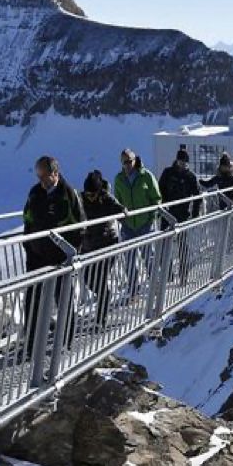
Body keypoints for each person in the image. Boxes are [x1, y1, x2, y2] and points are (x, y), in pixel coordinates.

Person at [22, 156, 86, 354]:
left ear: (55, 174)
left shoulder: (69, 194)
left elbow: (81, 225)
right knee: (33, 300)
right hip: (37, 257)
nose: (42, 181)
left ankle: (65, 343)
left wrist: (71, 252)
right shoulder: (34, 193)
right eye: (39, 176)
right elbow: (28, 220)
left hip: (61, 258)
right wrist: (30, 246)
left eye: (45, 176)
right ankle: (31, 345)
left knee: (64, 299)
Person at [114, 149, 162, 297]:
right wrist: (121, 217)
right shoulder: (119, 179)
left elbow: (156, 198)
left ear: (135, 160)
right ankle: (134, 290)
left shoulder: (146, 176)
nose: (127, 165)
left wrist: (151, 217)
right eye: (124, 162)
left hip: (145, 223)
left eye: (129, 161)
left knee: (149, 257)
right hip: (128, 225)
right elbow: (117, 200)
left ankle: (155, 286)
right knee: (129, 260)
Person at [80, 169, 125, 326]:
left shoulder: (106, 198)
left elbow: (119, 207)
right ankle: (104, 295)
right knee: (88, 279)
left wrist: (122, 211)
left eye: (93, 194)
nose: (90, 197)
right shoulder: (81, 199)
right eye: (87, 194)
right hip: (88, 246)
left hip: (107, 244)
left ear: (99, 191)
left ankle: (101, 319)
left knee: (100, 278)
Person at [159, 147, 202, 224]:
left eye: (185, 162)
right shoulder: (168, 173)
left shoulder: (191, 176)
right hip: (168, 212)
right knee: (166, 235)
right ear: (177, 160)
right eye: (181, 161)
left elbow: (197, 196)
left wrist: (195, 214)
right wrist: (162, 205)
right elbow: (160, 189)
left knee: (181, 235)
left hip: (183, 213)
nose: (183, 163)